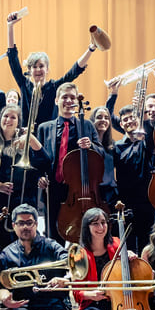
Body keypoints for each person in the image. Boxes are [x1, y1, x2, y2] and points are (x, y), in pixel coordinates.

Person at [37, 83, 103, 245]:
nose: (68, 101)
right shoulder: (44, 128)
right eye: (64, 97)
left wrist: (92, 146)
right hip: (53, 188)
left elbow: (102, 154)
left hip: (80, 190)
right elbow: (37, 159)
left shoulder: (86, 125)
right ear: (56, 100)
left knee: (83, 235)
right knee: (53, 235)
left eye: (72, 97)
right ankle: (57, 269)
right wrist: (39, 177)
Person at [6, 9, 95, 130]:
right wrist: (10, 27)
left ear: (47, 69)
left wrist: (91, 49)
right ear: (30, 70)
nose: (37, 70)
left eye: (41, 66)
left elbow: (74, 71)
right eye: (34, 67)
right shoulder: (24, 84)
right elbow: (13, 59)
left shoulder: (54, 87)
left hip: (47, 137)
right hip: (25, 137)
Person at [0, 105, 48, 246]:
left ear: (18, 122)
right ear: (0, 119)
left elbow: (44, 162)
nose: (8, 120)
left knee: (25, 240)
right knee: (2, 240)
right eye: (5, 116)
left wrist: (32, 139)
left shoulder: (25, 140)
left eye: (13, 117)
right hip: (0, 199)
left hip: (24, 197)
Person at [110, 104, 155, 253]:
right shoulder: (116, 147)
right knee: (127, 243)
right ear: (121, 124)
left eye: (132, 117)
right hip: (126, 201)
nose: (130, 121)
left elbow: (150, 132)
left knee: (146, 242)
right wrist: (113, 96)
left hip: (146, 200)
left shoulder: (146, 143)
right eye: (125, 119)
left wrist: (142, 115)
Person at [90, 106, 118, 207]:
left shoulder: (112, 145)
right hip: (92, 192)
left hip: (110, 195)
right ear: (92, 121)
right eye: (99, 117)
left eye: (106, 118)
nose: (103, 120)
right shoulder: (88, 145)